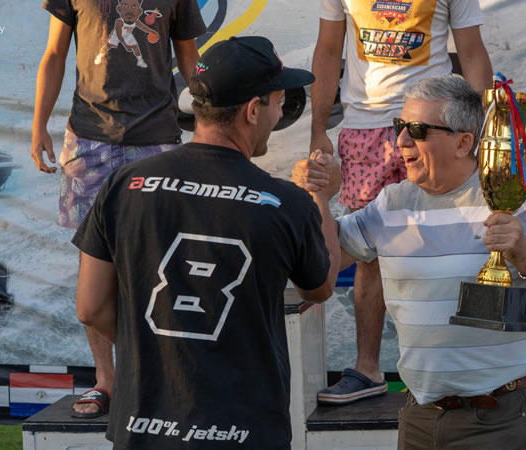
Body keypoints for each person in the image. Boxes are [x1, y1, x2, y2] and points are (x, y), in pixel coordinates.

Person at [292, 74, 526, 448]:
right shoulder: (392, 203)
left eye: (417, 130)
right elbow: (321, 269)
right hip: (419, 417)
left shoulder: (518, 197)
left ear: (463, 142)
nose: (401, 141)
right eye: (400, 126)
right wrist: (318, 197)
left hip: (499, 419)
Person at [73, 36, 341, 449]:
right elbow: (319, 287)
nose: (278, 115)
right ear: (253, 110)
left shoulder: (124, 184)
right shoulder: (285, 202)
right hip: (244, 432)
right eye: (277, 102)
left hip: (143, 429)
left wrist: (160, 350)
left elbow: (90, 308)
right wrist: (320, 197)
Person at [310, 0, 493, 404]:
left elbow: (473, 52)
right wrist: (318, 127)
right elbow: (327, 50)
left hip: (436, 127)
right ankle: (368, 368)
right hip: (364, 124)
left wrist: (479, 133)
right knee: (366, 252)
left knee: (453, 238)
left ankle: (450, 369)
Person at [30, 0, 206, 419]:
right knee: (95, 265)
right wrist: (38, 124)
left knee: (163, 263)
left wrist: (209, 109)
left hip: (157, 138)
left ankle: (162, 374)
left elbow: (190, 55)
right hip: (90, 140)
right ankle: (106, 379)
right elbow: (54, 52)